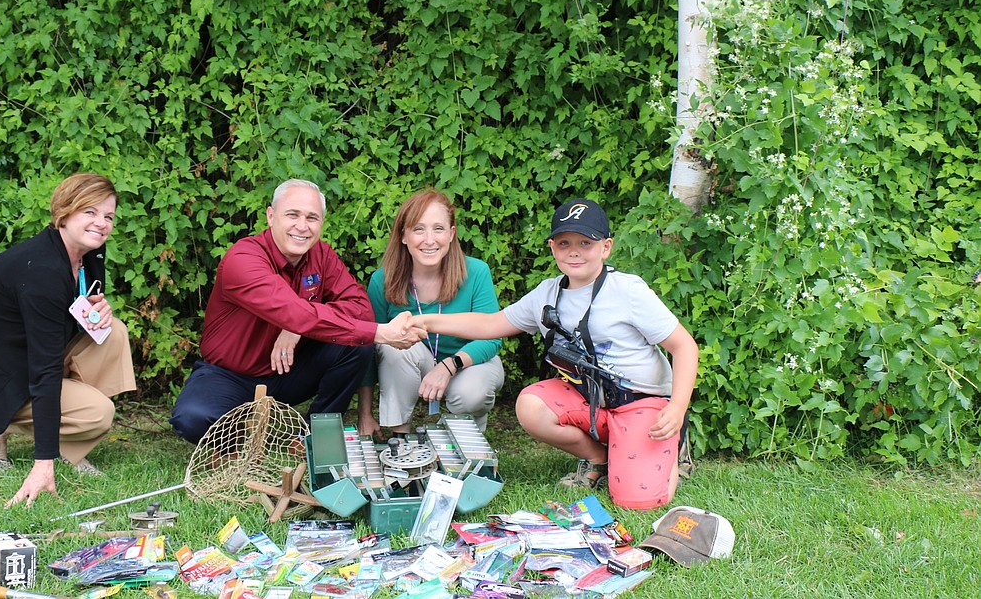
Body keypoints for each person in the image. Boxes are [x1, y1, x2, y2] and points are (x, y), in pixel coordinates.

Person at [411, 197, 699, 510]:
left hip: (640, 401)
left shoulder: (628, 291)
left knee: (636, 500)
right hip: (592, 401)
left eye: (586, 243)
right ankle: (599, 458)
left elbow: (684, 346)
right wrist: (424, 320)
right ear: (552, 248)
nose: (574, 251)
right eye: (564, 243)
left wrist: (678, 407)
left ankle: (673, 445)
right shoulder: (547, 293)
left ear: (606, 247)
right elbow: (491, 323)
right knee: (531, 405)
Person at [0, 173, 136, 508]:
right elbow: (43, 369)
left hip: (19, 356)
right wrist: (43, 465)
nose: (101, 223)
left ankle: (73, 446)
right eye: (90, 212)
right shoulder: (41, 270)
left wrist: (94, 312)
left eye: (108, 216)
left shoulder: (88, 256)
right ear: (64, 213)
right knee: (99, 413)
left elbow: (59, 323)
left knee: (113, 332)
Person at [170, 179, 426, 443]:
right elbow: (290, 310)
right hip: (230, 376)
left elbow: (360, 308)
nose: (302, 226)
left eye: (312, 218)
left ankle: (314, 435)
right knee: (192, 417)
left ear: (321, 223)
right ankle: (233, 435)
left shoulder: (321, 255)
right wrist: (379, 333)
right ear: (271, 216)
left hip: (289, 372)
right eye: (292, 214)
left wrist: (297, 328)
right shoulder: (243, 259)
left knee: (355, 345)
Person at [357, 188, 503, 437]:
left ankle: (465, 438)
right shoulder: (382, 280)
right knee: (391, 345)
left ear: (451, 233)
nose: (429, 239)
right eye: (418, 229)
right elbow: (370, 345)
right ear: (404, 235)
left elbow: (491, 335)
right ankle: (400, 436)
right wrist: (365, 414)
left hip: (466, 363)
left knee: (471, 392)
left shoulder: (477, 272)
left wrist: (449, 365)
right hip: (415, 361)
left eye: (438, 228)